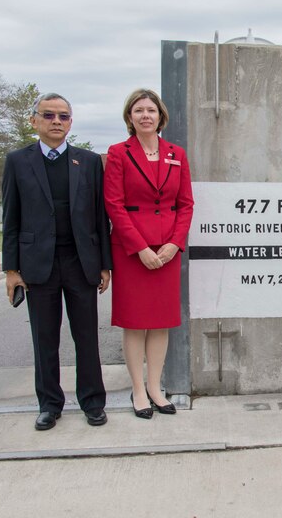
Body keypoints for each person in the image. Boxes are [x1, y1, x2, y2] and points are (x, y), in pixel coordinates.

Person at [2, 93, 112, 431]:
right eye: (48, 115)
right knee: (45, 338)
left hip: (81, 263)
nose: (56, 121)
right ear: (34, 120)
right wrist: (11, 270)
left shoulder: (90, 161)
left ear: (70, 122)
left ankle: (93, 402)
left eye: (63, 116)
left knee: (86, 338)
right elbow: (11, 218)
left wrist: (105, 265)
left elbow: (99, 217)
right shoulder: (18, 161)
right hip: (39, 265)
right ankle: (49, 404)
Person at [104, 89, 194, 419]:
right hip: (132, 251)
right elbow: (113, 204)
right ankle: (138, 390)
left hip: (168, 250)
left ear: (161, 116)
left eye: (151, 110)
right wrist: (140, 247)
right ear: (130, 117)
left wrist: (174, 244)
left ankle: (156, 387)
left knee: (160, 323)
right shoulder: (118, 153)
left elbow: (185, 204)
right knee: (135, 323)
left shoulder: (176, 154)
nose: (145, 115)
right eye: (138, 110)